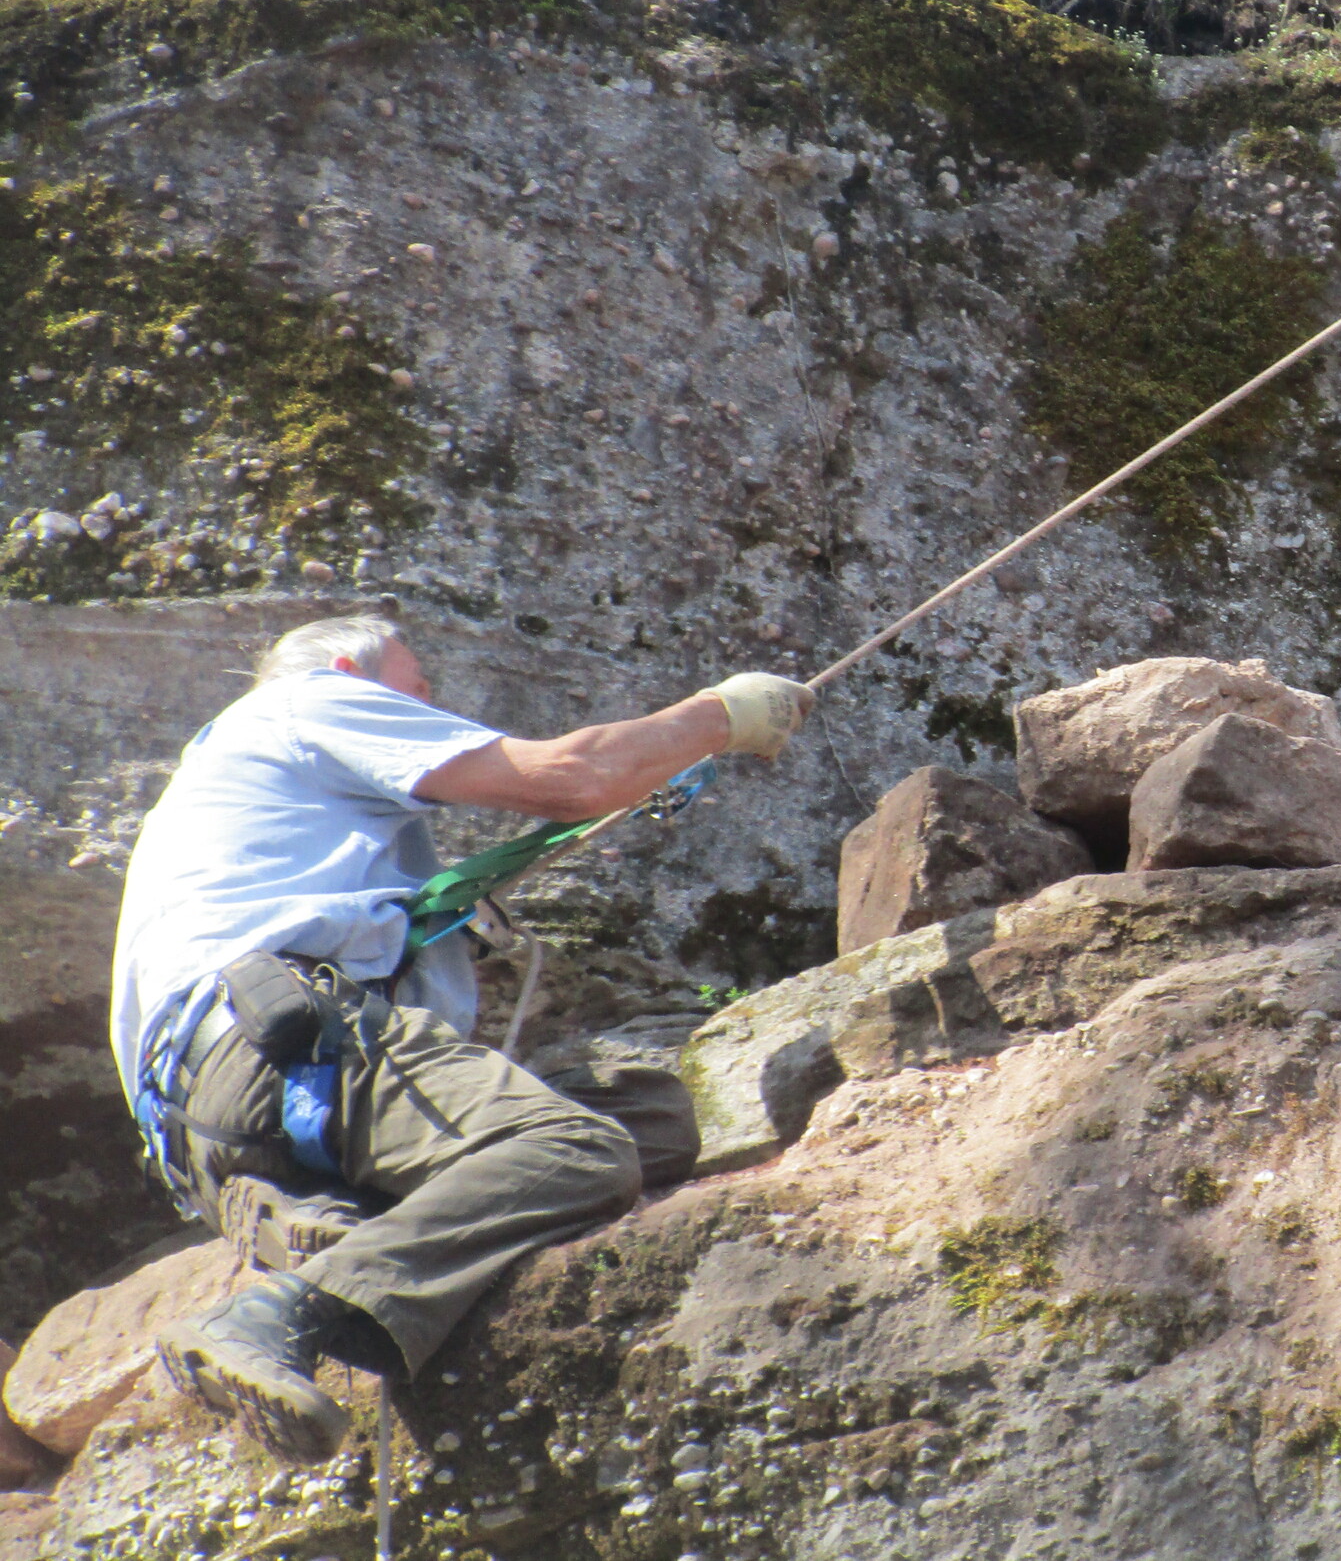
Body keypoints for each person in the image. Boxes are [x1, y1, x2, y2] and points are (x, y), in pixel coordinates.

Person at [111, 612, 816, 1463]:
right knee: (574, 1149)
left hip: (214, 1119)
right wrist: (721, 715)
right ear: (350, 669)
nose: (428, 705)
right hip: (292, 1046)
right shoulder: (310, 699)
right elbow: (573, 777)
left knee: (649, 1118)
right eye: (418, 686)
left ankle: (323, 1221)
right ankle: (278, 1315)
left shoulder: (235, 807)